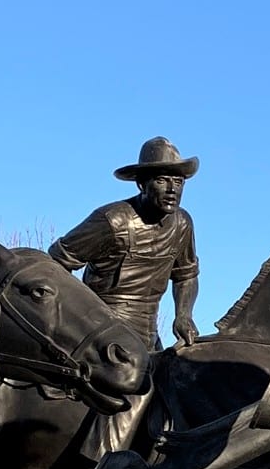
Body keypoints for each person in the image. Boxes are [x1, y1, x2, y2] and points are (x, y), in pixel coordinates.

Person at [49, 136, 201, 349]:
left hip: (149, 334)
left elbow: (186, 274)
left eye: (178, 182)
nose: (171, 189)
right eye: (161, 180)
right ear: (142, 184)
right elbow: (56, 262)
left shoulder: (182, 223)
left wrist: (184, 315)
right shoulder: (112, 220)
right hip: (100, 334)